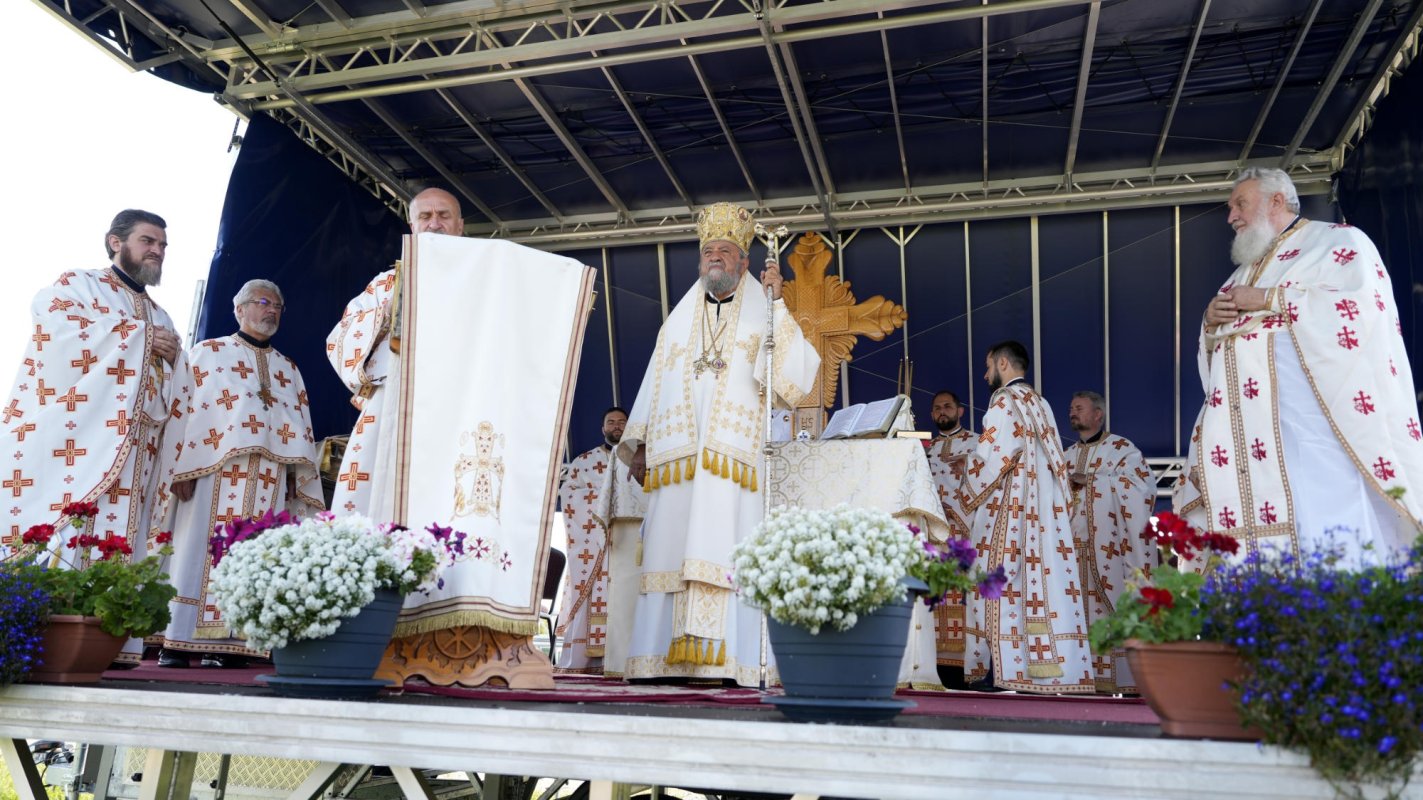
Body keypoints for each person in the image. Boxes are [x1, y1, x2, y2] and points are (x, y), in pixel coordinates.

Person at [617, 202, 820, 685]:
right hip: (678, 465)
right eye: (708, 251)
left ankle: (731, 662)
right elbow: (651, 387)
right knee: (668, 552)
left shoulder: (763, 313)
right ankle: (659, 660)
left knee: (726, 553)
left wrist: (777, 304)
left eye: (725, 251)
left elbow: (795, 380)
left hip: (734, 465)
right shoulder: (676, 322)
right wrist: (640, 445)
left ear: (744, 262)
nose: (714, 257)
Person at [1178, 167, 1423, 565]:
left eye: (1240, 204)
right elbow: (1217, 355)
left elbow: (1359, 309)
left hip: (1317, 435)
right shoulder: (1241, 274)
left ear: (1276, 200)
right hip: (1249, 444)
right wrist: (1209, 323)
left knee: (1324, 530)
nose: (1231, 217)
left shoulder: (1338, 242)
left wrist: (1269, 299)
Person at [0, 209, 186, 666]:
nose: (157, 251)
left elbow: (174, 384)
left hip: (139, 450)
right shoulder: (79, 285)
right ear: (115, 242)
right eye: (148, 241)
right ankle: (59, 636)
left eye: (162, 245)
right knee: (80, 531)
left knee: (128, 536)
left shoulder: (160, 313)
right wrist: (141, 337)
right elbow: (55, 330)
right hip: (87, 445)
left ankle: (116, 644)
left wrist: (173, 360)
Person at [156, 279, 325, 668]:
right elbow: (186, 411)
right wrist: (180, 469)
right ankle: (177, 640)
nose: (271, 310)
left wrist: (293, 477)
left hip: (267, 478)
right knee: (196, 548)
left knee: (254, 554)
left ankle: (231, 642)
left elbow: (298, 426)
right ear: (239, 309)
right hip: (212, 471)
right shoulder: (209, 352)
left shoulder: (288, 369)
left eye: (278, 305)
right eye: (263, 302)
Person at [953, 341, 1094, 694]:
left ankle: (1001, 672)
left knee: (998, 582)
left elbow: (992, 456)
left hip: (1012, 509)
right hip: (1043, 515)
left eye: (988, 366)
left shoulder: (1003, 400)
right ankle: (1037, 673)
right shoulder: (1040, 403)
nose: (985, 374)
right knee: (1036, 589)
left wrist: (966, 476)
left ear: (1003, 364)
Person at [327, 187, 462, 515]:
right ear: (413, 226)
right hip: (393, 400)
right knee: (377, 493)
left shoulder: (485, 279)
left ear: (460, 225)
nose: (434, 223)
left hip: (459, 400)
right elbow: (339, 338)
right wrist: (385, 312)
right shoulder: (385, 283)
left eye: (443, 215)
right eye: (425, 216)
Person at [1063, 390, 1155, 693]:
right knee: (1073, 616)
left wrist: (1092, 481)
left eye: (1079, 408)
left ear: (1098, 414)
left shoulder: (1122, 450)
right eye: (1071, 408)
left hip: (1109, 554)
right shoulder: (1064, 456)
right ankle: (1078, 678)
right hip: (1072, 555)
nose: (1072, 412)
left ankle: (1121, 681)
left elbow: (1143, 490)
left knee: (1109, 612)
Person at [554, 406, 629, 674]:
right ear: (603, 428)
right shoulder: (584, 461)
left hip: (625, 545)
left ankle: (622, 659)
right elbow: (569, 495)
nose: (616, 426)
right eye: (611, 422)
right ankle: (585, 660)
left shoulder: (639, 461)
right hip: (594, 546)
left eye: (622, 422)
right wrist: (602, 499)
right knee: (592, 593)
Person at [924, 389, 976, 682]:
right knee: (935, 599)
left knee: (964, 598)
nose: (941, 411)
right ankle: (934, 669)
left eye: (947, 406)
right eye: (936, 408)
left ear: (960, 411)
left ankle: (968, 669)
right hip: (933, 537)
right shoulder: (924, 449)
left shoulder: (977, 445)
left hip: (964, 536)